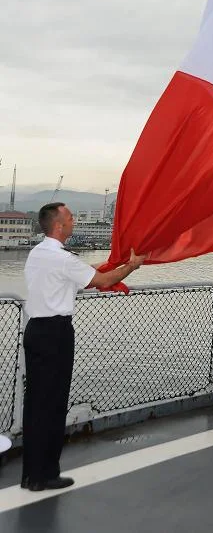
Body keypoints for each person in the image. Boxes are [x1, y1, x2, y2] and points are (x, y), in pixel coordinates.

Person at [21, 202, 145, 491]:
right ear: (59, 225)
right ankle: (45, 475)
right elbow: (102, 279)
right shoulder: (63, 259)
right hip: (55, 334)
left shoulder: (38, 254)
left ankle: (31, 474)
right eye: (70, 217)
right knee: (52, 405)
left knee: (36, 405)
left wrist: (115, 262)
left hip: (35, 331)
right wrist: (131, 266)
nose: (74, 221)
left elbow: (87, 272)